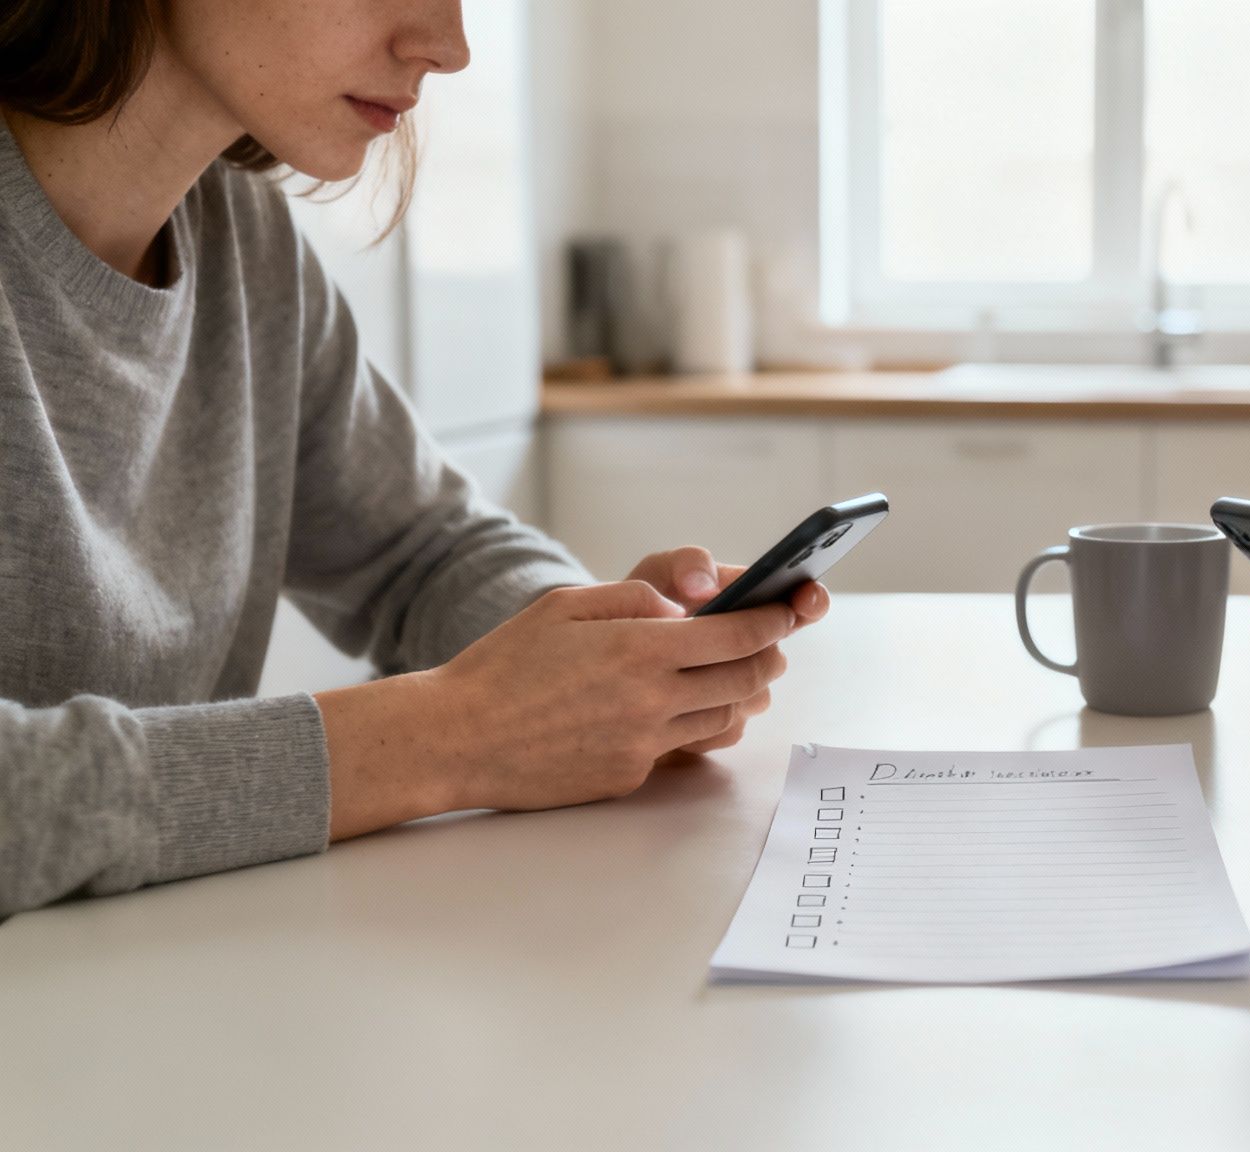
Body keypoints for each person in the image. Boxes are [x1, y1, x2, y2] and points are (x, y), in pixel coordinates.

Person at [0, 0, 828, 918]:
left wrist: (603, 660)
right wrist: (455, 734)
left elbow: (420, 553)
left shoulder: (248, 246)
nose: (449, 47)